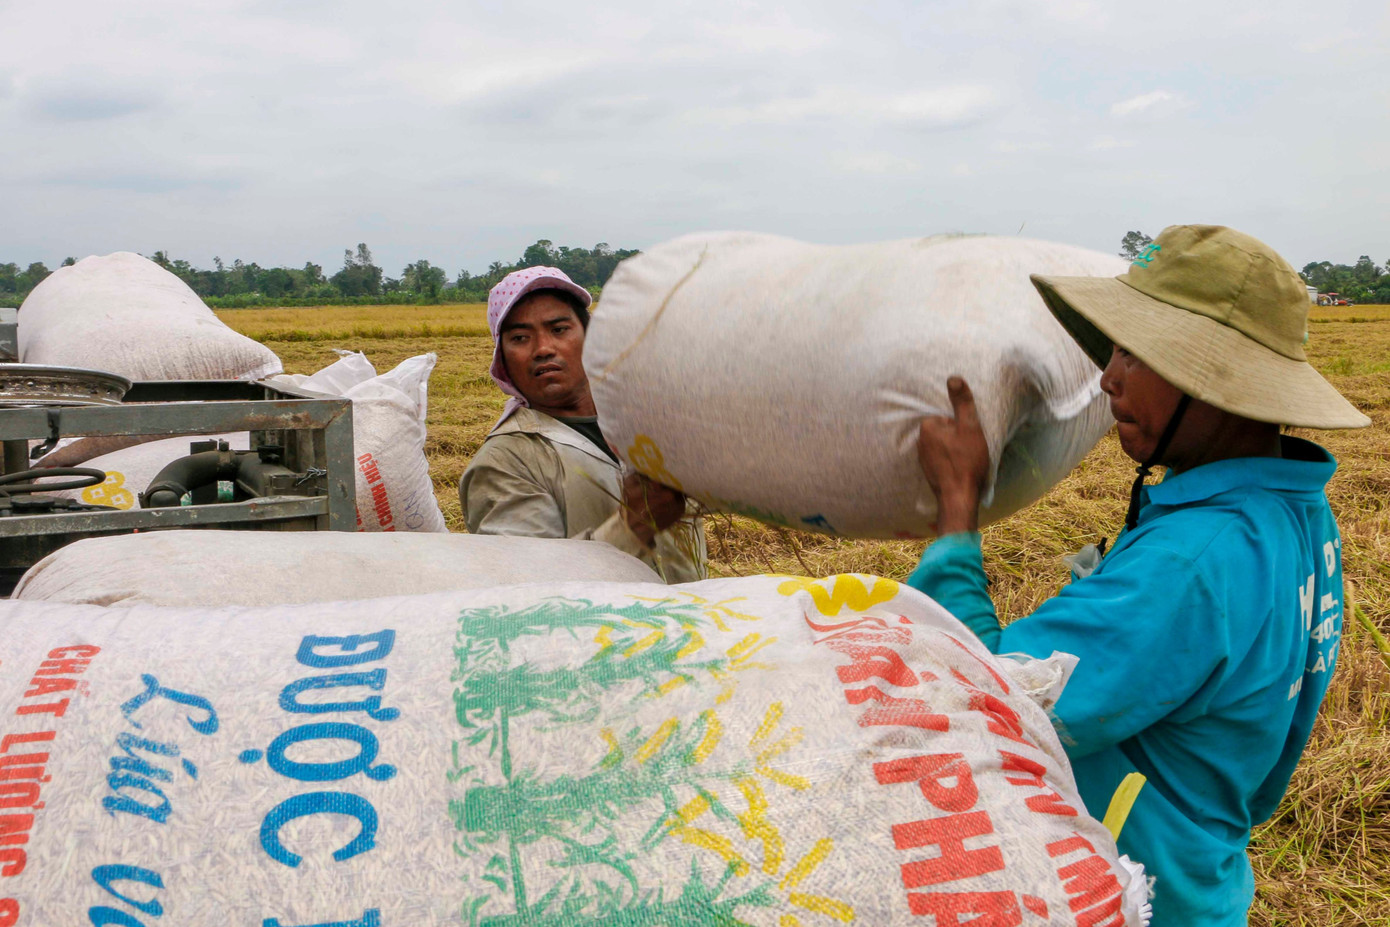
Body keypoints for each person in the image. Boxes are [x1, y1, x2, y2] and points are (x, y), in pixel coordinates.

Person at [910, 225, 1369, 925]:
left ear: (1215, 379)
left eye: (1136, 352)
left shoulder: (1191, 562)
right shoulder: (1295, 512)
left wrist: (955, 513)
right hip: (1201, 878)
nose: (1108, 377)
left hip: (1131, 897)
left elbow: (987, 702)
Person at [460, 266, 707, 582]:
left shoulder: (645, 423)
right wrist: (631, 528)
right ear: (503, 359)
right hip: (606, 632)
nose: (543, 349)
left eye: (559, 330)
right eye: (520, 338)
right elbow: (526, 590)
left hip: (694, 623)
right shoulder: (505, 463)